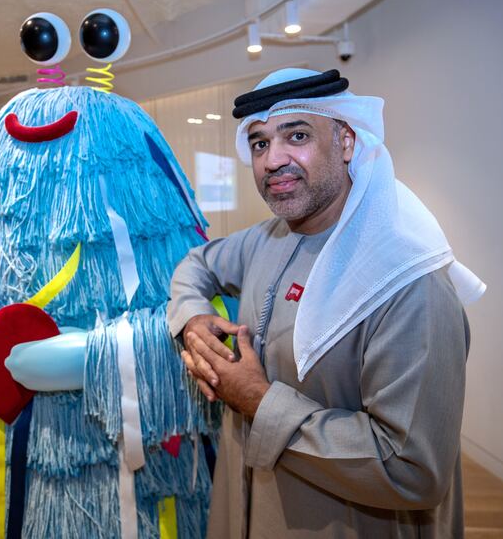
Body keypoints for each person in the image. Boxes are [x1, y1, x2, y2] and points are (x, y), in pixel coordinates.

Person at [167, 68, 486, 538]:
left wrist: (257, 399)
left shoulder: (407, 284)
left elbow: (411, 468)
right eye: (259, 143)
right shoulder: (269, 239)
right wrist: (193, 317)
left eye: (296, 135)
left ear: (346, 143)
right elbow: (197, 265)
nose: (273, 159)